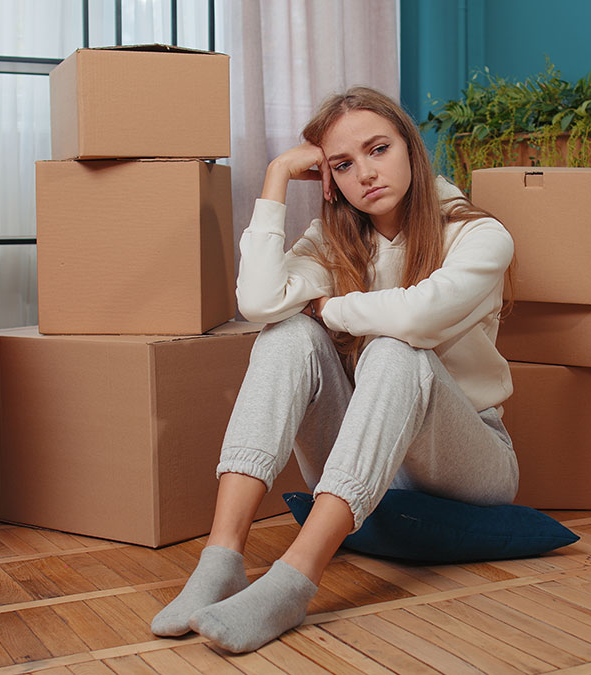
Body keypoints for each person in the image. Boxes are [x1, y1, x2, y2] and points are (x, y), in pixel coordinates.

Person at [150, 86, 520, 653]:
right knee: (288, 332)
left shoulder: (478, 235)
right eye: (343, 164)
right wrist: (275, 177)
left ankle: (294, 579)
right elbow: (259, 300)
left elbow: (419, 317)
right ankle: (221, 558)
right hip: (364, 457)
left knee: (397, 348)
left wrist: (333, 311)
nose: (366, 174)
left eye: (379, 149)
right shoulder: (336, 240)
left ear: (410, 149)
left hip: (470, 461)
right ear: (330, 179)